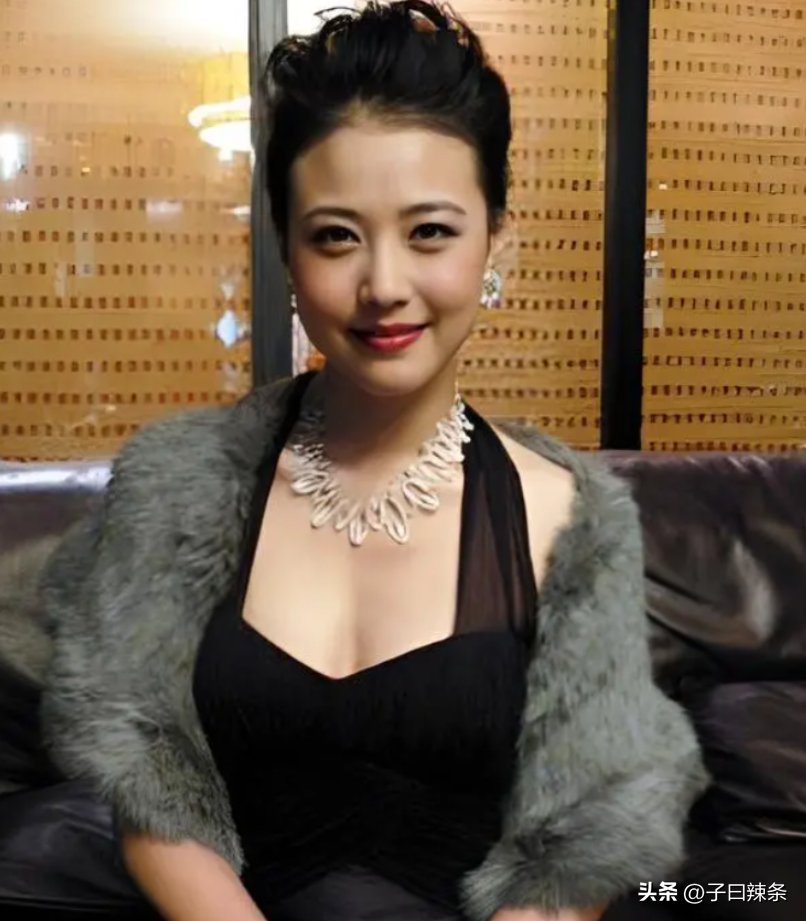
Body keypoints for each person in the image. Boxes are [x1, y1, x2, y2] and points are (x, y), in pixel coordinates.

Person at [39, 3, 709, 921]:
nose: (384, 284)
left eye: (430, 231)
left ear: (494, 241)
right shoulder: (173, 487)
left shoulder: (570, 519)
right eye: (336, 236)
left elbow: (590, 832)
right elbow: (143, 775)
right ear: (286, 250)